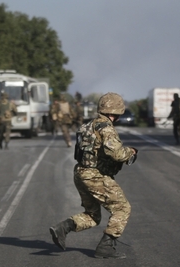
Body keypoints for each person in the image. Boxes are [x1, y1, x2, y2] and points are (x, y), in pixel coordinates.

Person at [49, 92, 138, 259]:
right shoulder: (106, 128)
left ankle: (62, 228)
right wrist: (130, 152)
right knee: (122, 208)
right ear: (117, 112)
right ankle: (106, 247)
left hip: (81, 173)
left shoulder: (88, 125)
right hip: (95, 176)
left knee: (92, 215)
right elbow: (117, 154)